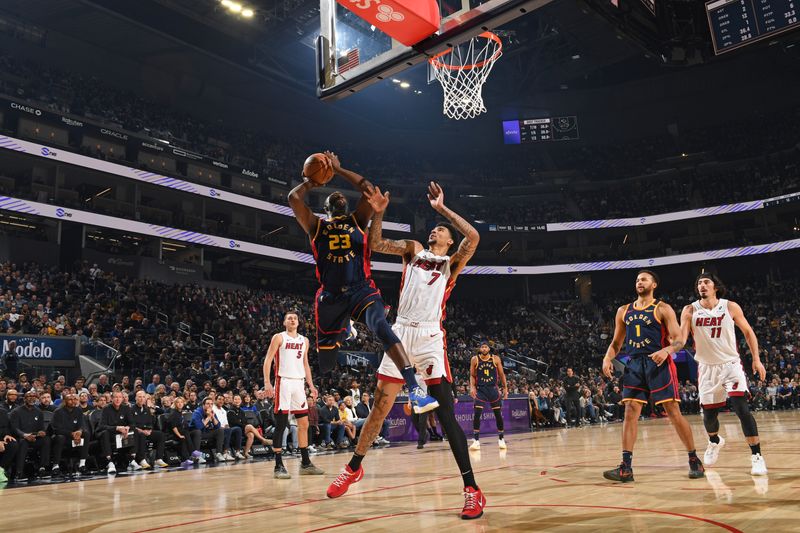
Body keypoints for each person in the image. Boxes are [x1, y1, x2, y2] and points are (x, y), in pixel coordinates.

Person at [327, 181, 486, 520]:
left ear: (448, 242)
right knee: (381, 406)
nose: (435, 231)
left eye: (440, 230)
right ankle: (354, 467)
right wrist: (379, 213)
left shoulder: (452, 263)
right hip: (401, 330)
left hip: (429, 339)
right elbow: (376, 243)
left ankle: (472, 489)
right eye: (434, 228)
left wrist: (443, 209)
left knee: (444, 412)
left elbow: (473, 238)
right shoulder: (413, 249)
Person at [286, 151, 437, 414]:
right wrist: (313, 181)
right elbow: (293, 197)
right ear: (327, 209)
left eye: (341, 195)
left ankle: (414, 387)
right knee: (326, 363)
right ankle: (345, 327)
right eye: (334, 197)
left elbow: (369, 190)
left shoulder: (357, 220)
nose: (339, 196)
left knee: (381, 326)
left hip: (361, 290)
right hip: (330, 298)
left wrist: (339, 169)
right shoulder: (316, 226)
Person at [602, 270, 704, 483]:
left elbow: (678, 340)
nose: (640, 282)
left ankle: (694, 459)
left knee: (673, 411)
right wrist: (607, 358)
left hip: (658, 362)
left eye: (644, 279)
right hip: (634, 364)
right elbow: (616, 343)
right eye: (637, 280)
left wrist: (666, 351)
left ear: (654, 284)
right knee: (630, 411)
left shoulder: (662, 308)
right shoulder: (623, 310)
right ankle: (626, 467)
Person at [679, 272, 768, 476]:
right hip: (707, 368)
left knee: (741, 408)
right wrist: (670, 346)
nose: (702, 285)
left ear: (715, 286)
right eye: (699, 283)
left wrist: (756, 359)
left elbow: (748, 332)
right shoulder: (690, 309)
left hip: (730, 364)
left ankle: (757, 456)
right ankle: (714, 441)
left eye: (706, 282)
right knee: (709, 416)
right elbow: (682, 337)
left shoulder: (730, 306)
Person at [263, 310, 324, 478]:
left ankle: (305, 463)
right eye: (289, 318)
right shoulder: (279, 337)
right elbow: (268, 360)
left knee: (303, 424)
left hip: (299, 383)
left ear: (298, 322)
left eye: (295, 318)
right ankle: (278, 465)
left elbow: (305, 364)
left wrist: (311, 385)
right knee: (281, 424)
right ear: (284, 322)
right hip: (283, 381)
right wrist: (267, 383)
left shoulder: (305, 340)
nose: (292, 320)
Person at [469, 342, 508, 450]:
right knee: (477, 414)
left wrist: (505, 388)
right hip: (481, 390)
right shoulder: (475, 359)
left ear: (489, 348)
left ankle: (501, 439)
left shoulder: (495, 358)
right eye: (482, 347)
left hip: (493, 389)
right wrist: (472, 387)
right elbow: (472, 375)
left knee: (498, 415)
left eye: (486, 347)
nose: (484, 348)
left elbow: (501, 374)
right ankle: (476, 440)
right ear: (480, 348)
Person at [10, 391, 52, 481]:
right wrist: (25, 435)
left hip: (34, 437)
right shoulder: (16, 411)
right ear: (24, 399)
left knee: (46, 440)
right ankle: (19, 472)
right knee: (23, 443)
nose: (32, 398)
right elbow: (14, 428)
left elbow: (41, 428)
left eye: (34, 396)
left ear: (36, 399)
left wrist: (41, 432)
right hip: (20, 438)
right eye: (29, 396)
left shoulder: (39, 411)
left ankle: (42, 468)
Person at [97, 391, 138, 474]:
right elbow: (101, 426)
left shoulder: (126, 408)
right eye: (115, 397)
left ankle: (132, 460)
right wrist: (117, 428)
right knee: (105, 433)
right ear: (112, 399)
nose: (117, 399)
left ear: (122, 399)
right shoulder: (106, 409)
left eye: (120, 397)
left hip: (122, 434)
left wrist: (127, 428)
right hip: (110, 434)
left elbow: (132, 423)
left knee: (135, 431)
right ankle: (110, 462)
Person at [51, 392, 89, 477]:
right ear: (64, 401)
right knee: (60, 437)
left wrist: (79, 432)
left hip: (75, 436)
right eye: (70, 400)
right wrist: (71, 434)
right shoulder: (58, 412)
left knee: (86, 434)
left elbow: (82, 424)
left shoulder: (78, 410)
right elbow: (56, 429)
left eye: (74, 399)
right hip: (63, 436)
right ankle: (55, 466)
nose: (73, 401)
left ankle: (82, 464)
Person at [131, 391, 168, 469]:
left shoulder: (147, 409)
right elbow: (131, 425)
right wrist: (141, 431)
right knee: (141, 434)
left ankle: (158, 459)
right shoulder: (131, 409)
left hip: (146, 431)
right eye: (139, 397)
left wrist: (150, 430)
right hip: (137, 433)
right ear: (135, 398)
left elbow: (150, 423)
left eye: (143, 397)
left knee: (160, 435)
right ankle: (141, 460)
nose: (141, 399)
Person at [163, 396, 204, 467]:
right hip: (171, 434)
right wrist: (179, 435)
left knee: (184, 437)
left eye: (181, 402)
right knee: (184, 434)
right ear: (175, 404)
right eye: (178, 402)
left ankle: (185, 460)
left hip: (180, 433)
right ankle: (193, 452)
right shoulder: (173, 413)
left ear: (183, 403)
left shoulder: (180, 413)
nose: (180, 404)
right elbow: (174, 427)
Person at [190, 397, 226, 462]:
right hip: (194, 433)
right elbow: (199, 427)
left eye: (211, 404)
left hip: (205, 433)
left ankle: (218, 453)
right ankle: (197, 456)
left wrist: (212, 417)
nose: (210, 405)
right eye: (208, 404)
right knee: (198, 432)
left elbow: (218, 426)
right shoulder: (197, 413)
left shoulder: (211, 412)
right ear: (203, 405)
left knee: (220, 430)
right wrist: (208, 417)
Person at [0, 405, 18, 483]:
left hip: (1, 439)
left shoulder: (3, 412)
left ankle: (1, 469)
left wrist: (7, 435)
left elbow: (6, 427)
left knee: (12, 444)